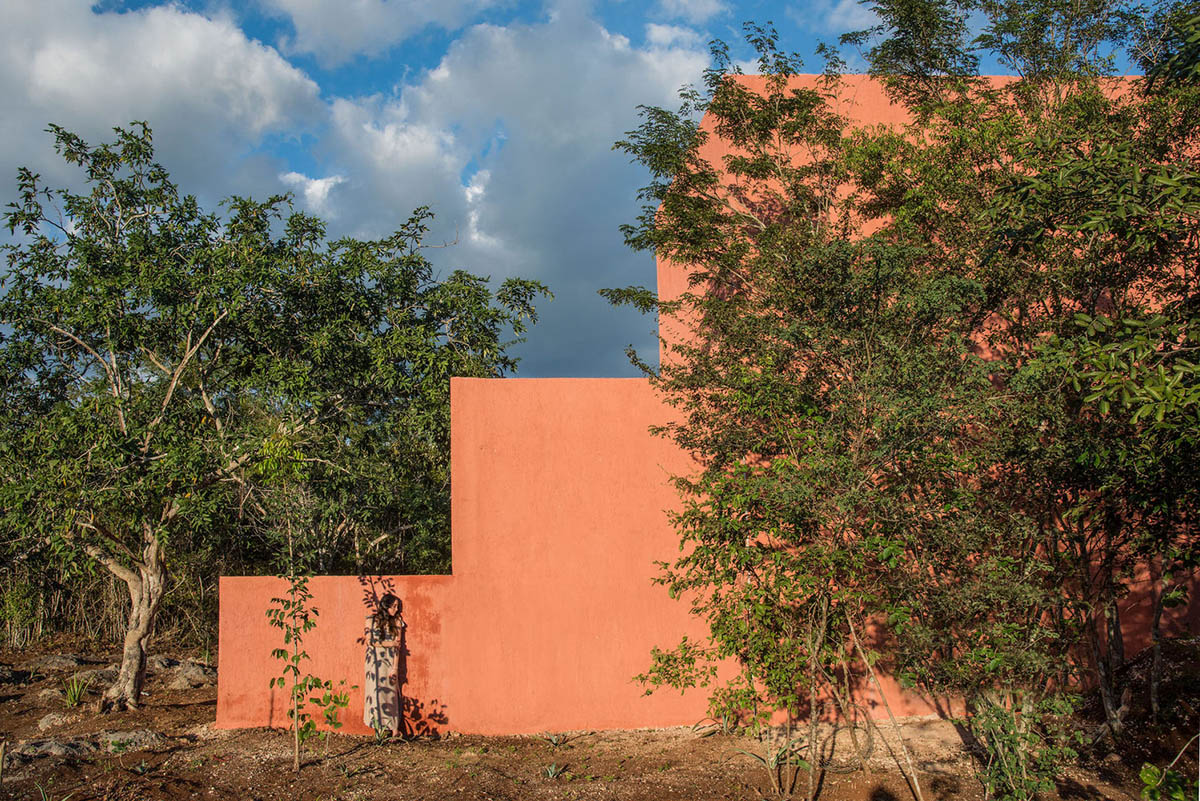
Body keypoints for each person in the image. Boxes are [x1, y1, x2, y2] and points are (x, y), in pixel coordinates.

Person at [363, 592, 406, 736]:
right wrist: (389, 643)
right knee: (375, 694)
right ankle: (379, 727)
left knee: (391, 695)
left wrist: (394, 667)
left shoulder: (397, 622)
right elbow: (369, 642)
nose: (396, 609)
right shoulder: (371, 621)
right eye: (393, 606)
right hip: (374, 663)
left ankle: (394, 729)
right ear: (385, 606)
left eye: (397, 607)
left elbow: (397, 647)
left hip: (389, 662)